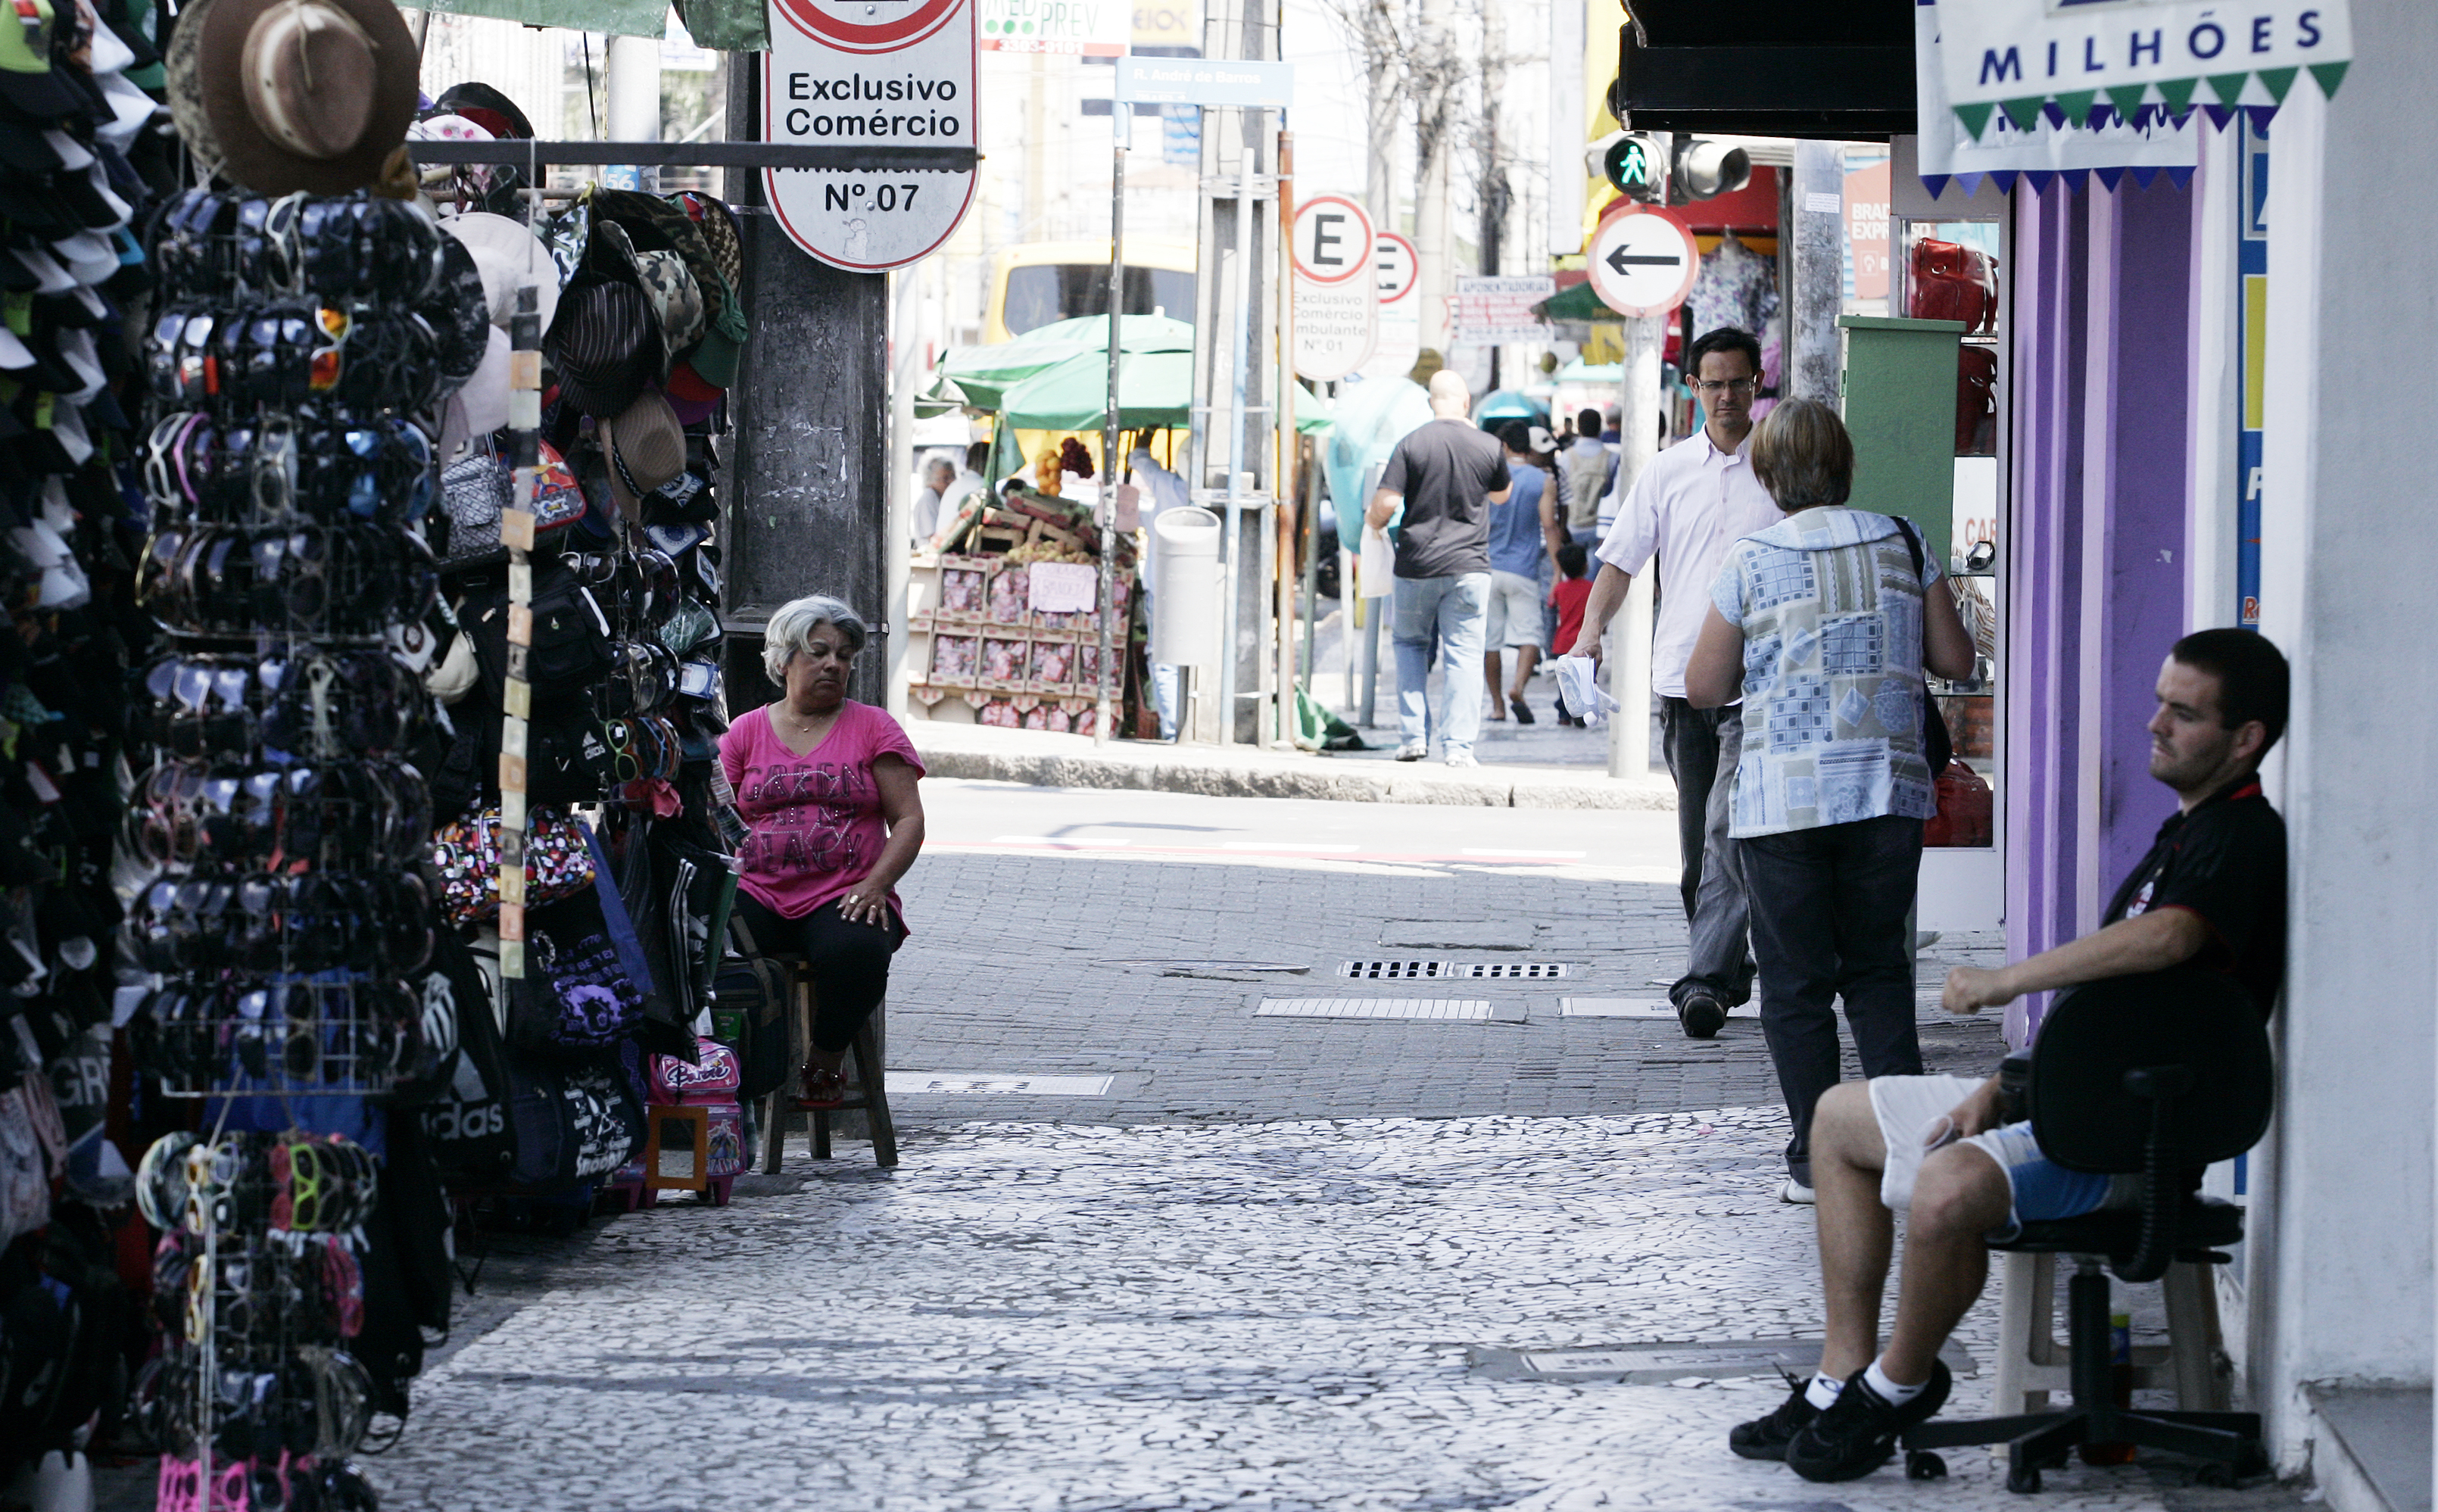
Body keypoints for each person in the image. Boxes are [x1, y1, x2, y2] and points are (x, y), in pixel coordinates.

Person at [1724, 628, 2290, 1483]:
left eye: (2184, 712)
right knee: (1837, 1118)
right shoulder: (2182, 835)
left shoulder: (2241, 837)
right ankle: (1839, 1376)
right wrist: (2003, 1081)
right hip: (2072, 1103)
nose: (2155, 724)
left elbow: (2170, 939)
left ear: (2244, 738)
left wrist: (2005, 980)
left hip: (2131, 1136)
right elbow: (2106, 1014)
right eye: (2159, 701)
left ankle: (1895, 1385)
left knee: (1948, 1186)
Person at [1684, 398, 1977, 1203]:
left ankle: (1820, 1162)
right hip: (1885, 789)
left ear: (1768, 474)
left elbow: (1704, 684)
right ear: (1844, 465)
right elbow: (1955, 657)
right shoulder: (1902, 538)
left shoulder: (1750, 559)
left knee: (1795, 984)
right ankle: (1912, 1150)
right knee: (1878, 970)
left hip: (1784, 801)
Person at [1568, 326, 1784, 1042]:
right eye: (1713, 383)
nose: (1726, 396)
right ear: (1694, 389)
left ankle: (1706, 985)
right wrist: (1591, 631)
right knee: (1698, 851)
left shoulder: (1781, 469)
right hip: (1682, 684)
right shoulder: (1665, 472)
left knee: (1727, 833)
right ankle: (1728, 965)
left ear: (1758, 386)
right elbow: (1623, 561)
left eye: (1738, 383)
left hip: (1760, 687)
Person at [719, 595, 928, 1108]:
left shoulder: (874, 726)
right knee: (711, 944)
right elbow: (716, 816)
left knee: (857, 949)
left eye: (844, 655)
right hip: (759, 891)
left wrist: (876, 883)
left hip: (843, 892)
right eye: (818, 652)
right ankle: (739, 1069)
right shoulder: (745, 731)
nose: (834, 664)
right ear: (785, 659)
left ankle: (827, 1055)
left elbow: (909, 820)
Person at [1367, 368, 1510, 766]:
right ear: (1466, 402)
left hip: (1417, 565)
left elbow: (1387, 503)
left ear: (1432, 402)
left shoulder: (1411, 444)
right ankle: (1459, 748)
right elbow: (1501, 495)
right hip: (1470, 566)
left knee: (1410, 646)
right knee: (1464, 653)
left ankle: (1414, 738)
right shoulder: (1488, 446)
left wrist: (1372, 523)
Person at [1483, 420, 1563, 725]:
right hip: (1524, 570)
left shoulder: (1490, 477)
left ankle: (1497, 706)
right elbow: (1549, 525)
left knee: (1490, 641)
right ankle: (1518, 687)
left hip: (1489, 567)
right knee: (1530, 635)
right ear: (1528, 448)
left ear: (1504, 446)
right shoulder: (1541, 480)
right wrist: (1556, 570)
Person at [1548, 541, 1593, 726]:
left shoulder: (1560, 589)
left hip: (1563, 642)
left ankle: (1564, 714)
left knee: (1565, 682)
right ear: (1585, 565)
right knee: (1584, 679)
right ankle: (1582, 712)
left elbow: (1551, 603)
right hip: (1583, 642)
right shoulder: (1591, 588)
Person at [1561, 407, 1610, 547]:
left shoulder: (1566, 457)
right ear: (1600, 427)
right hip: (1600, 528)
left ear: (1579, 427)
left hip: (1573, 525)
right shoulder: (1611, 458)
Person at [911, 454, 957, 545]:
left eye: (953, 476)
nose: (952, 482)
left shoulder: (943, 498)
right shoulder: (928, 499)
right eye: (946, 478)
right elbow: (932, 538)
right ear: (930, 481)